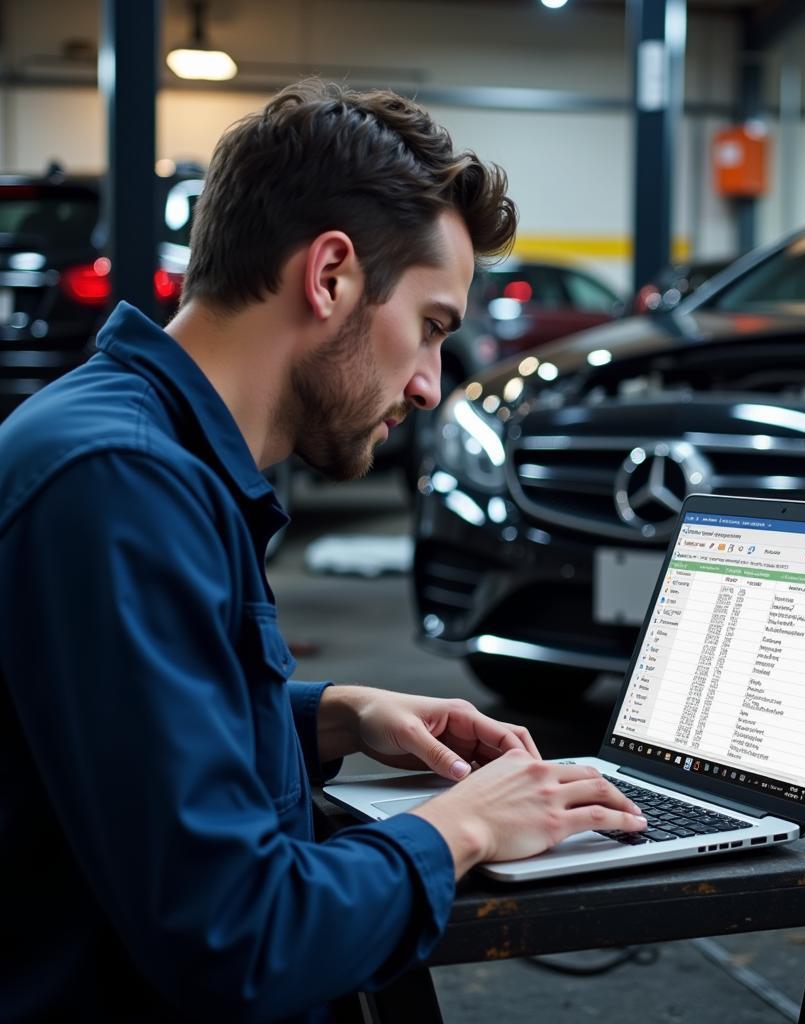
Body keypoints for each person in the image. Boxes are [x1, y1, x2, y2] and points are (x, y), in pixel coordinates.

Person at [0, 80, 647, 1021]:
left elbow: (107, 733)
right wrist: (458, 829)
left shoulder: (137, 451)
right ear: (332, 275)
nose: (430, 387)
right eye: (429, 327)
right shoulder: (119, 484)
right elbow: (239, 938)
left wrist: (334, 716)